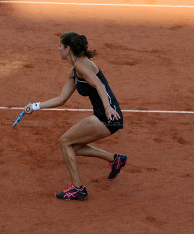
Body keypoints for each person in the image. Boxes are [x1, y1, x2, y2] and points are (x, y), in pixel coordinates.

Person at [25, 32, 127, 200]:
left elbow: (99, 85)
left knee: (65, 142)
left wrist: (108, 108)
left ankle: (78, 189)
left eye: (60, 46)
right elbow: (61, 99)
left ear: (68, 49)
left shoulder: (81, 65)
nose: (58, 49)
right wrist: (35, 106)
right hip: (105, 116)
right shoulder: (74, 71)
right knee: (72, 147)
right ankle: (115, 160)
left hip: (107, 117)